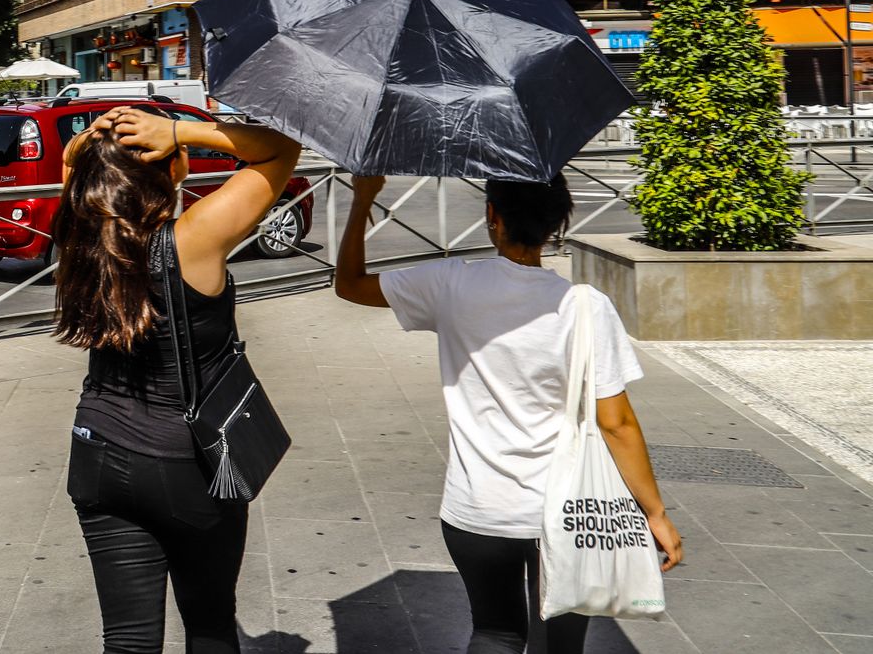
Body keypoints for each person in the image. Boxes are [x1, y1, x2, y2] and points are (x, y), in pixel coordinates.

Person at [333, 175, 682, 654]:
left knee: (494, 632)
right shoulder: (585, 307)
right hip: (566, 513)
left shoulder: (450, 284)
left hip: (475, 508)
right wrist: (655, 513)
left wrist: (362, 201)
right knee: (561, 642)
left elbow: (349, 285)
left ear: (492, 217)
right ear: (558, 222)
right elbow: (616, 423)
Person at [55, 105, 301, 654]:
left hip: (97, 453)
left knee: (127, 640)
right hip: (184, 463)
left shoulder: (80, 234)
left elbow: (77, 177)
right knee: (210, 626)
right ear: (173, 167)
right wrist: (179, 128)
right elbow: (281, 148)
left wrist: (84, 149)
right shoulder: (194, 238)